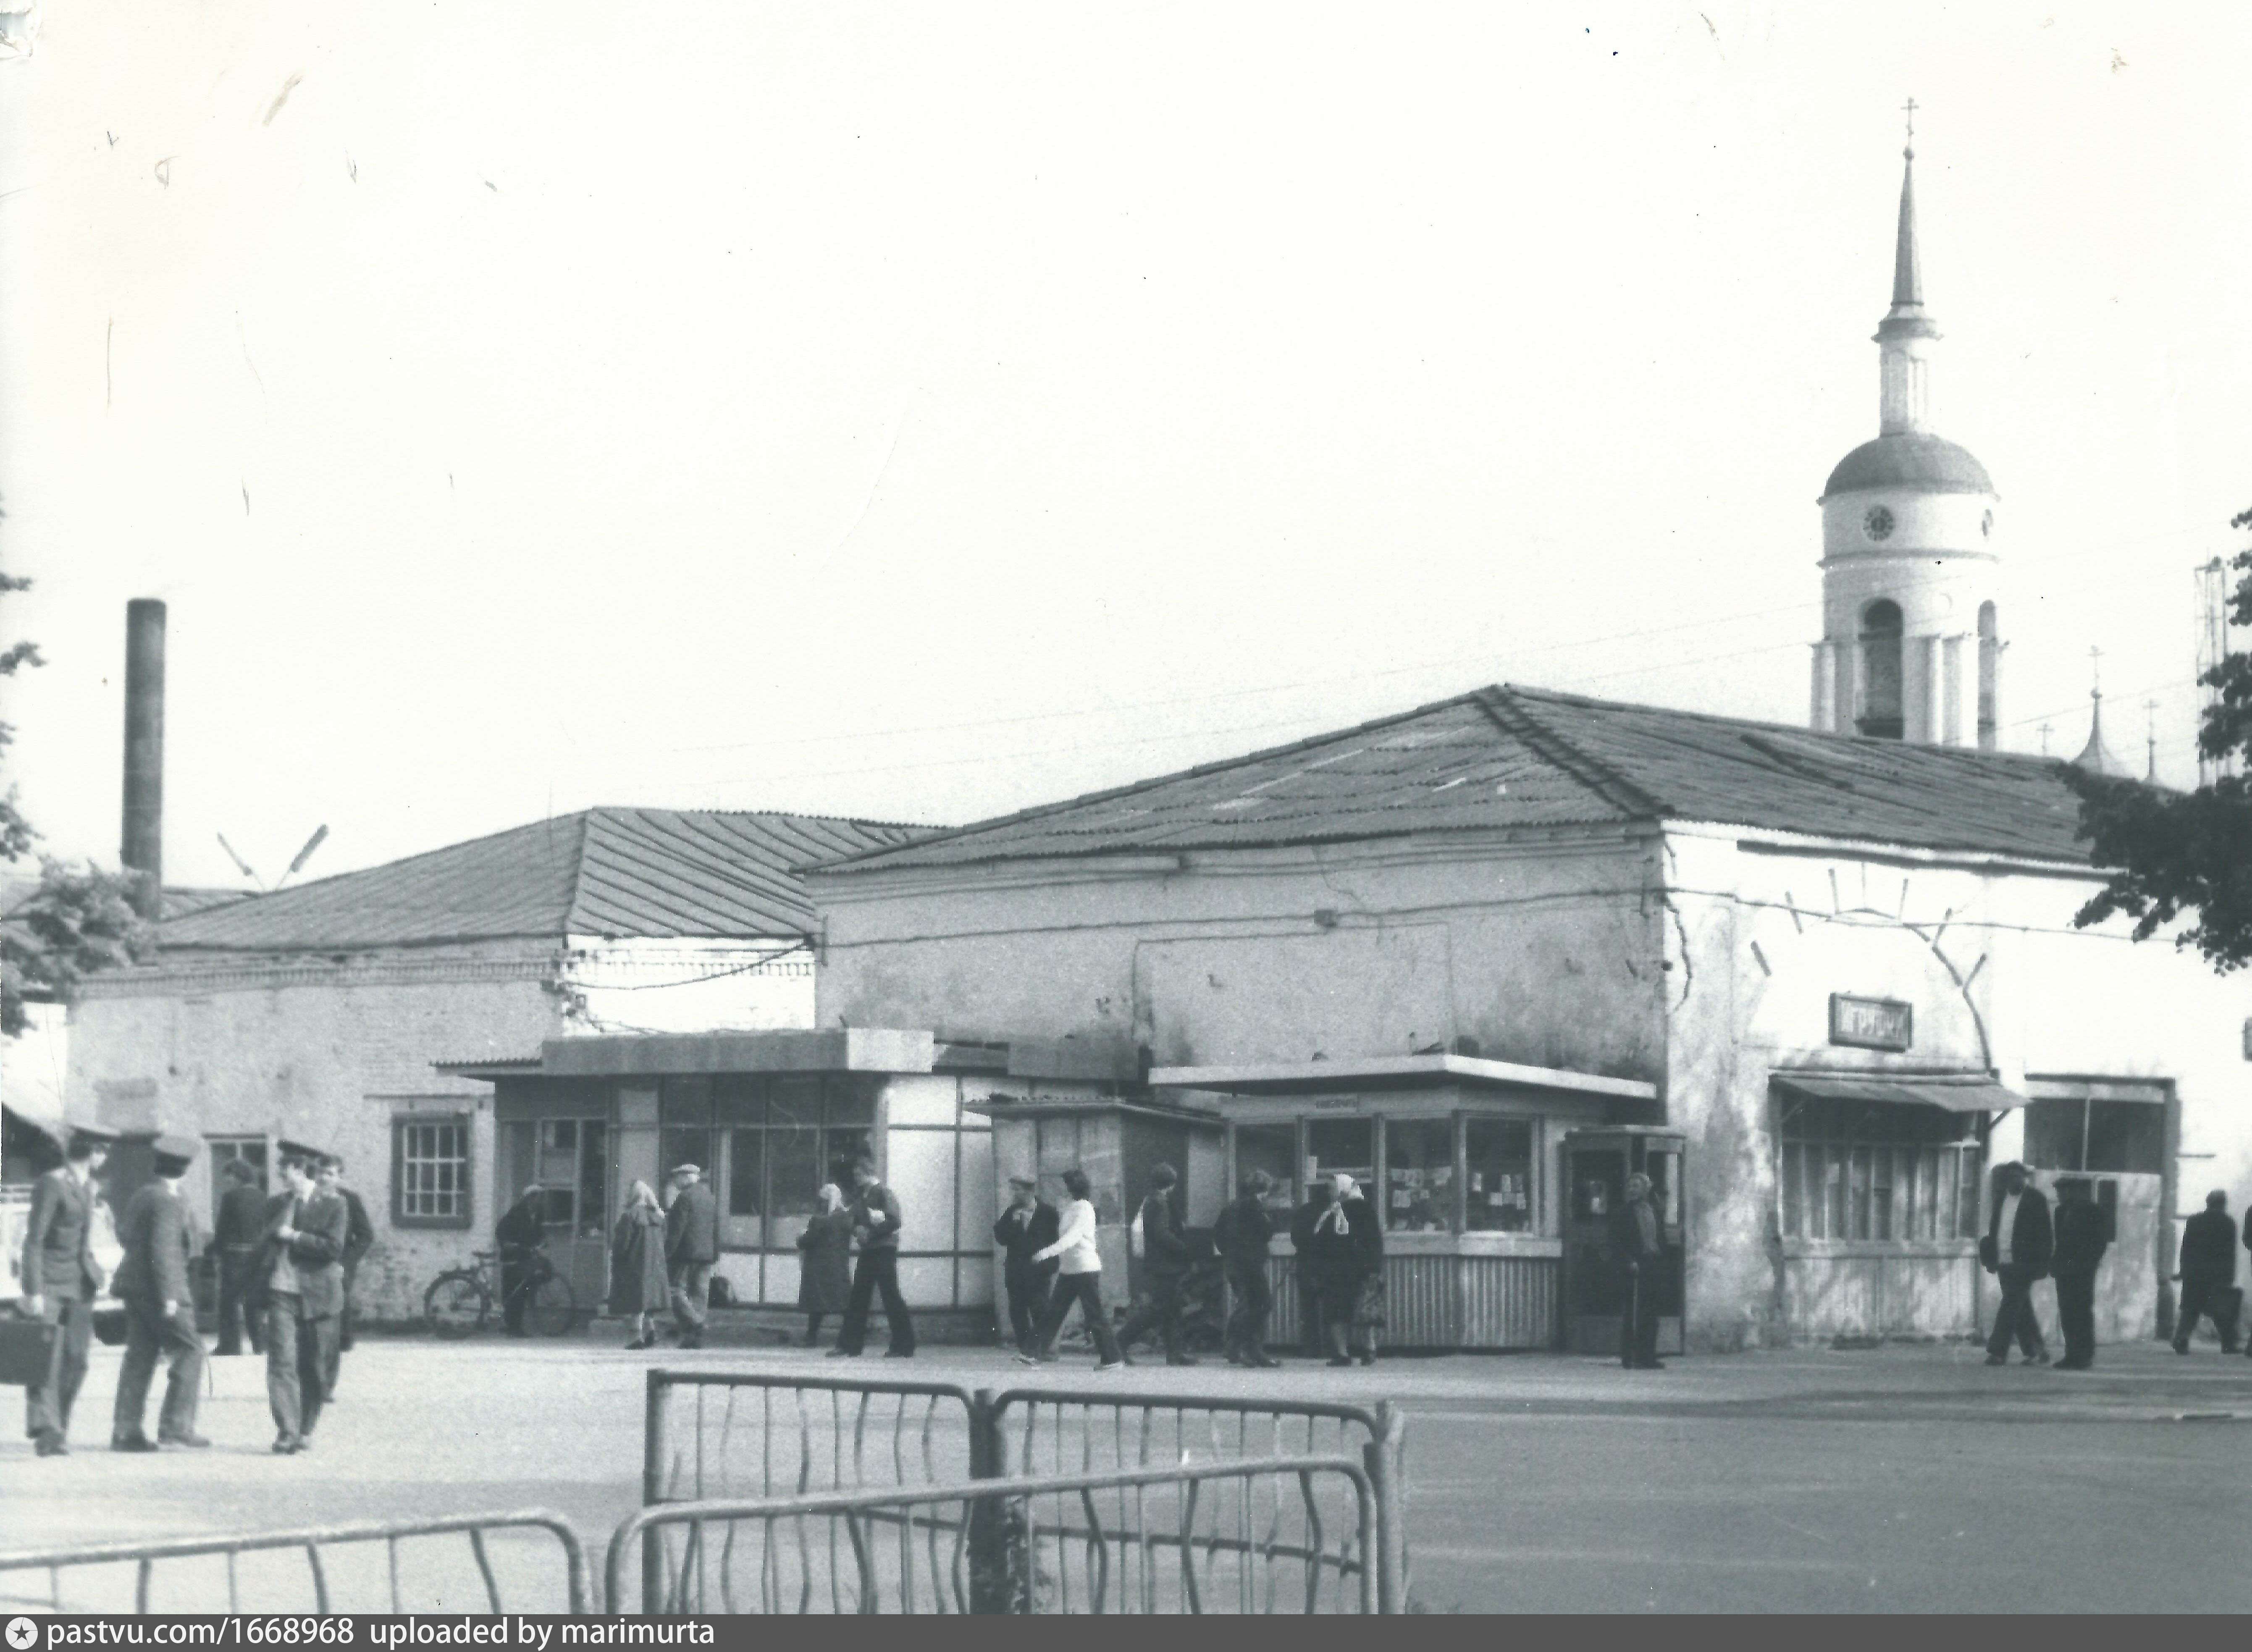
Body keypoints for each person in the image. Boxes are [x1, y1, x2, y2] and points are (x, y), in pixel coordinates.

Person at [20, 1124, 115, 1457]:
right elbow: (34, 1239)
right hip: (49, 1282)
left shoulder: (89, 1186)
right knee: (44, 1356)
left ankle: (59, 1423)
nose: (105, 1157)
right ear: (93, 1153)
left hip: (79, 1283)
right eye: (103, 1150)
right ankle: (49, 1430)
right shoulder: (52, 1183)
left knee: (78, 1358)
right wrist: (33, 1290)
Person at [110, 1135, 210, 1451]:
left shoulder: (144, 1194)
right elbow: (164, 1249)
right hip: (162, 1290)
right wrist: (170, 1296)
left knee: (140, 1357)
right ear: (186, 1169)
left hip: (135, 1288)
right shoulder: (170, 1200)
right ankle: (176, 1427)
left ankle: (126, 1431)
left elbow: (125, 1235)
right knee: (191, 1350)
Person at [253, 1151, 349, 1454]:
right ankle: (287, 1431)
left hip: (318, 1296)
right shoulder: (275, 1205)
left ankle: (306, 1427)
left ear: (299, 1171)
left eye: (284, 1171)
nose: (281, 1177)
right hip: (280, 1291)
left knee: (314, 1366)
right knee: (281, 1362)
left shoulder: (335, 1204)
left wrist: (294, 1237)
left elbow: (333, 1247)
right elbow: (263, 1244)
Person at [1018, 1168, 1124, 1370]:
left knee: (1093, 1315)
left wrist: (1046, 1253)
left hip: (1085, 1269)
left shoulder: (1083, 1209)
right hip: (1071, 1269)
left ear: (1072, 1188)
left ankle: (1112, 1359)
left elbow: (1072, 1238)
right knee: (1054, 1312)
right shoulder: (1073, 1207)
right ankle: (1031, 1353)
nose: (1063, 1190)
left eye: (1066, 1186)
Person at [832, 1158, 916, 1358]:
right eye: (856, 1176)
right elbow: (853, 1218)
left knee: (890, 1295)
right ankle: (849, 1345)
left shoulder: (883, 1192)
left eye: (860, 1175)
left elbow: (895, 1220)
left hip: (883, 1248)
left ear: (869, 1173)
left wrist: (871, 1232)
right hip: (870, 1249)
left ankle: (903, 1345)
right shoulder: (863, 1195)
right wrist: (855, 1228)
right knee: (859, 1296)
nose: (857, 1179)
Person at [1116, 1164, 1197, 1366]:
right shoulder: (1160, 1203)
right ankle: (1119, 1342)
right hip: (1166, 1265)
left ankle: (1175, 1353)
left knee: (1173, 1308)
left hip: (1160, 1263)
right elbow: (1162, 1234)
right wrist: (1184, 1249)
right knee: (1160, 1308)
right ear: (1172, 1183)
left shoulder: (1151, 1201)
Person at [1302, 1172, 1380, 1367]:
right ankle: (1357, 1351)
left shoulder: (1350, 1210)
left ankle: (1354, 1351)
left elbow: (1372, 1240)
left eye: (1332, 1187)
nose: (1329, 1192)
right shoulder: (1335, 1210)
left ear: (1343, 1188)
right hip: (1347, 1268)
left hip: (1348, 1268)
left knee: (1349, 1311)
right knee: (1353, 1311)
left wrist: (1372, 1266)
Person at [1982, 1161, 2054, 1366]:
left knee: (2010, 1305)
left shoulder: (2035, 1199)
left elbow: (2045, 1234)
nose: (2014, 1180)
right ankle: (2037, 1351)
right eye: (2010, 1176)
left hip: (2025, 1263)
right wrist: (1992, 1258)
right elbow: (1994, 1230)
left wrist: (2043, 1262)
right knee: (2020, 1306)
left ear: (2026, 1178)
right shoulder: (2001, 1198)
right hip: (2004, 1261)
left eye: (2018, 1176)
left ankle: (1997, 1351)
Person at [1214, 1170, 1278, 1367]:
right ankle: (1252, 1350)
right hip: (1250, 1263)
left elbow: (1218, 1235)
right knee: (1262, 1304)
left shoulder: (1230, 1207)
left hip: (1233, 1262)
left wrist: (1229, 1253)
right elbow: (1267, 1231)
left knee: (1246, 1305)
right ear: (1263, 1190)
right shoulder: (1255, 1207)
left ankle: (1233, 1347)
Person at [992, 1174, 1060, 1354]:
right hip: (1016, 1271)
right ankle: (1026, 1349)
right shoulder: (1011, 1212)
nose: (1014, 1194)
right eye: (1012, 1190)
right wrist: (1013, 1222)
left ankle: (1045, 1349)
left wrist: (1050, 1266)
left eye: (1017, 1190)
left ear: (1030, 1191)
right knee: (1017, 1312)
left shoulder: (1048, 1213)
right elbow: (1001, 1238)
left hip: (1039, 1271)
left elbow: (1056, 1241)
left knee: (1041, 1309)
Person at [1609, 1172, 1669, 1371]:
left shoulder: (1655, 1211)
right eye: (1631, 1187)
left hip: (1653, 1263)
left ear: (1647, 1189)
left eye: (1637, 1186)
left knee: (1651, 1312)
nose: (1633, 1190)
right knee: (1633, 1311)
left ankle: (1648, 1356)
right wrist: (1629, 1261)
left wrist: (1663, 1260)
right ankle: (1630, 1356)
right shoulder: (1622, 1213)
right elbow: (1616, 1243)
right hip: (1634, 1265)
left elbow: (1661, 1238)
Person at [2050, 1179, 2110, 1371]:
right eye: (2058, 1192)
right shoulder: (2060, 1213)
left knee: (2082, 1312)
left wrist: (2089, 1263)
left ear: (2074, 1191)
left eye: (2063, 1191)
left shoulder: (2093, 1211)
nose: (2060, 1196)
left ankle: (2084, 1355)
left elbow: (2101, 1241)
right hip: (2064, 1270)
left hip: (2083, 1270)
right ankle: (2071, 1354)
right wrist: (2056, 1264)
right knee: (2067, 1312)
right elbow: (2060, 1242)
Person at [212, 1157, 268, 1358]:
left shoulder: (231, 1197)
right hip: (257, 1255)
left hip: (234, 1254)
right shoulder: (263, 1197)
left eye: (229, 1176)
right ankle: (260, 1345)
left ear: (237, 1176)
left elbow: (222, 1229)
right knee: (253, 1301)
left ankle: (230, 1346)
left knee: (228, 1301)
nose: (228, 1180)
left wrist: (218, 1252)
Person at [2173, 1189, 2239, 1355]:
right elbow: (2229, 1253)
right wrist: (2230, 1277)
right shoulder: (2227, 1222)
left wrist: (2184, 1270)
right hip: (2217, 1275)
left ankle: (2181, 1340)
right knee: (2221, 1312)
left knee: (2190, 1310)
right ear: (2223, 1204)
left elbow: (2186, 1248)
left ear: (2208, 1202)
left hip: (2194, 1273)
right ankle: (2228, 1344)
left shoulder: (2194, 1221)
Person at [663, 1164, 719, 1350]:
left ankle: (696, 1323)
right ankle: (693, 1339)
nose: (675, 1182)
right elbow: (715, 1228)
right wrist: (715, 1252)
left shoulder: (684, 1197)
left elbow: (677, 1230)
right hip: (706, 1254)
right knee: (700, 1294)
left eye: (677, 1178)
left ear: (688, 1177)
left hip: (686, 1254)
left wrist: (667, 1253)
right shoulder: (709, 1197)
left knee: (675, 1290)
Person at [609, 1180, 669, 1350]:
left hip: (633, 1264)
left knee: (635, 1303)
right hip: (654, 1266)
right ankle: (652, 1332)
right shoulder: (658, 1218)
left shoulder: (630, 1216)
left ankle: (636, 1338)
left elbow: (622, 1244)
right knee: (648, 1301)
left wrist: (616, 1258)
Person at [328, 1157, 375, 1356]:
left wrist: (348, 1261)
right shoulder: (311, 1198)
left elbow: (366, 1235)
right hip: (316, 1258)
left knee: (340, 1297)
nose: (324, 1178)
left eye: (330, 1174)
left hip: (341, 1259)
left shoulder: (350, 1200)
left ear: (339, 1177)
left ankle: (344, 1340)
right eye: (321, 1173)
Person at [795, 1183, 854, 1347]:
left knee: (817, 1303)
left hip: (818, 1267)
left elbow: (806, 1241)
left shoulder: (818, 1220)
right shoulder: (846, 1218)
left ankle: (811, 1337)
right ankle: (851, 1336)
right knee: (842, 1302)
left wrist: (800, 1237)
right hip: (838, 1266)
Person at [496, 1183, 548, 1339]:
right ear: (529, 1199)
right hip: (513, 1257)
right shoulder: (517, 1213)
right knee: (514, 1292)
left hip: (525, 1257)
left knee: (523, 1290)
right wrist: (507, 1243)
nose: (541, 1202)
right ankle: (512, 1327)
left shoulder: (537, 1215)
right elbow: (502, 1230)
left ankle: (514, 1325)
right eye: (538, 1198)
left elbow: (538, 1232)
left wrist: (541, 1243)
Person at [1289, 1182, 1330, 1357]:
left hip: (1305, 1261)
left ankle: (1311, 1347)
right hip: (1328, 1262)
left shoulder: (1304, 1211)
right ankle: (1331, 1347)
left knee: (1309, 1308)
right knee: (1330, 1305)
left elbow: (1295, 1237)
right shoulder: (1333, 1211)